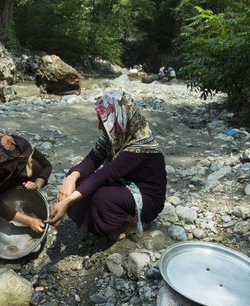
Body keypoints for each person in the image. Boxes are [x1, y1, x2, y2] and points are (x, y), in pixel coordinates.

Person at [46, 91, 167, 241]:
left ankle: (137, 221)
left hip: (148, 199)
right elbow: (91, 160)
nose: (99, 127)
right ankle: (116, 217)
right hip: (125, 184)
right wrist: (71, 178)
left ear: (118, 117)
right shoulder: (115, 134)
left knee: (102, 197)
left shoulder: (141, 144)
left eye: (102, 121)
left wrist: (67, 201)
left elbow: (104, 174)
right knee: (78, 178)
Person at [0, 132, 52, 233]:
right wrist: (29, 221)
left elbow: (47, 166)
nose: (11, 167)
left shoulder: (18, 146)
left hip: (14, 179)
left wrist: (36, 185)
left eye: (13, 164)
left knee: (36, 166)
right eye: (6, 167)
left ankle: (19, 194)